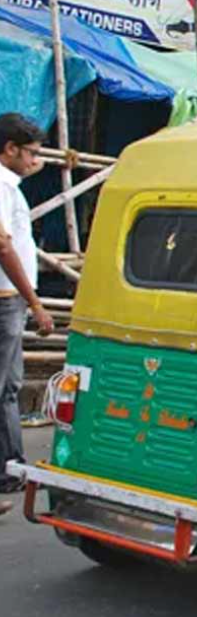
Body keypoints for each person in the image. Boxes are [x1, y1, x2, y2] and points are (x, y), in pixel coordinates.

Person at [0, 114, 52, 516]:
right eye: (30, 152)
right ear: (10, 150)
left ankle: (10, 468)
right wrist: (33, 301)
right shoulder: (1, 186)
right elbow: (3, 247)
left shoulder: (11, 184)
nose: (36, 160)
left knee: (10, 388)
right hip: (5, 299)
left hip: (9, 300)